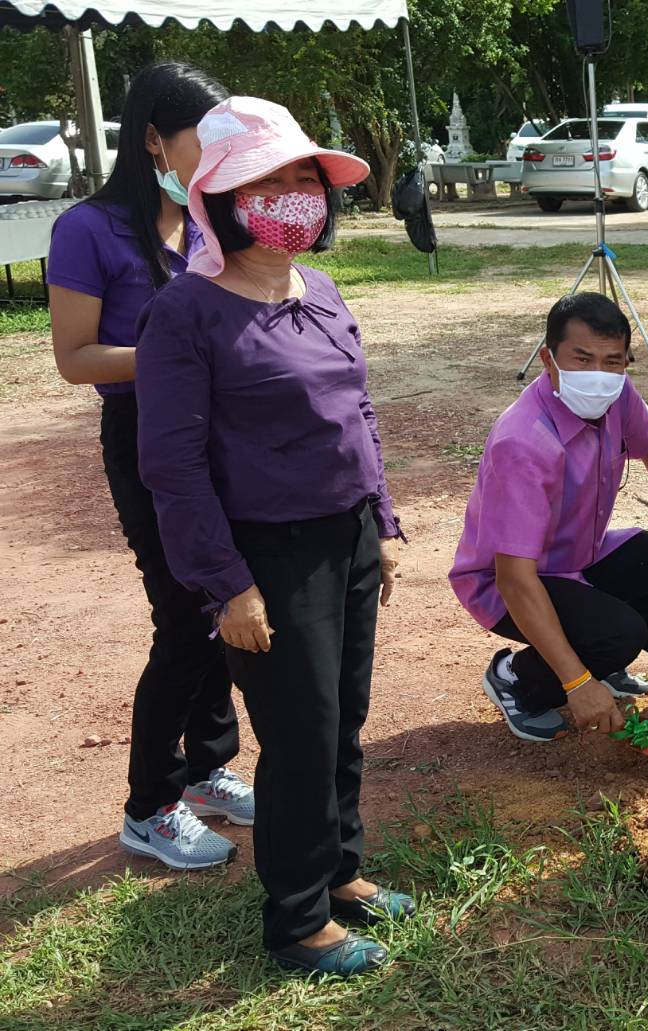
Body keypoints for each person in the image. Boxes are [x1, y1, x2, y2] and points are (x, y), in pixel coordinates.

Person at [136, 97, 411, 976]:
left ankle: (338, 872)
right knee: (299, 732)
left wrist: (385, 519)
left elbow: (357, 411)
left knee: (344, 721)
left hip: (349, 537)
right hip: (266, 556)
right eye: (271, 179)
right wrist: (228, 585)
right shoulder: (187, 312)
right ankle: (295, 922)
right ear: (220, 195)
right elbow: (172, 469)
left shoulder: (318, 288)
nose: (295, 193)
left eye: (306, 178)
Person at [46, 63, 249, 872]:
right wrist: (176, 357)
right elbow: (75, 358)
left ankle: (208, 769)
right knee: (184, 613)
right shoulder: (87, 229)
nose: (217, 158)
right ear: (154, 140)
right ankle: (150, 801)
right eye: (205, 141)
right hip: (144, 434)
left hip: (217, 433)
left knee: (221, 596)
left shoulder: (206, 225)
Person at [452, 292, 648, 743]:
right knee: (617, 633)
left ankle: (601, 656)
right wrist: (578, 684)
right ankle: (518, 678)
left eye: (612, 361)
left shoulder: (616, 398)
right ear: (548, 358)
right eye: (581, 359)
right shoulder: (523, 442)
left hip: (582, 557)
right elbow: (515, 580)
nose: (598, 375)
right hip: (510, 583)